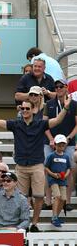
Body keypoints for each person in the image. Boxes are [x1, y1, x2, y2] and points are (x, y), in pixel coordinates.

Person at [0, 96, 70, 232]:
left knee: (38, 197)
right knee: (21, 197)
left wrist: (65, 107)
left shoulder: (40, 124)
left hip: (37, 165)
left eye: (27, 108)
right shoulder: (16, 124)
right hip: (21, 166)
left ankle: (35, 224)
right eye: (22, 108)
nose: (24, 110)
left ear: (33, 110)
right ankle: (23, 224)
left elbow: (57, 120)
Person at [43, 79, 77, 211]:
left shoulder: (74, 104)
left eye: (61, 86)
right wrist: (51, 139)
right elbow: (44, 125)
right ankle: (48, 201)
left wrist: (69, 138)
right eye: (56, 87)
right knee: (48, 171)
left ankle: (66, 201)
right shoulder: (49, 104)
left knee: (68, 171)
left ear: (66, 87)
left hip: (68, 143)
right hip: (50, 143)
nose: (58, 89)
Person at [45, 134, 71, 228]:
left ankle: (56, 216)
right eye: (59, 145)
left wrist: (66, 175)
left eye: (63, 145)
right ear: (55, 145)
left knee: (63, 198)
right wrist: (52, 174)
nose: (61, 147)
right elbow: (46, 167)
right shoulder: (51, 156)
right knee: (57, 196)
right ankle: (54, 217)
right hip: (53, 179)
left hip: (63, 180)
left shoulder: (66, 157)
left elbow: (68, 168)